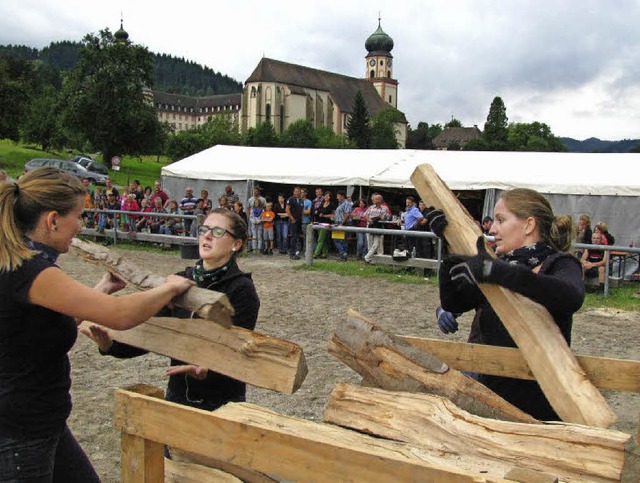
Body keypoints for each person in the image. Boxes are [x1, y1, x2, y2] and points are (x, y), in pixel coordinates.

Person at [0, 167, 193, 481]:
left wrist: (101, 289)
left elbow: (42, 325)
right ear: (52, 220)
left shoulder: (25, 262)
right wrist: (170, 288)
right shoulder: (29, 270)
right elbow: (119, 315)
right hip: (21, 431)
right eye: (78, 216)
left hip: (42, 422)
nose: (81, 225)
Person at [83, 208, 259, 415]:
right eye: (204, 229)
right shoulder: (178, 281)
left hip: (222, 401)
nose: (208, 235)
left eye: (218, 232)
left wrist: (208, 369)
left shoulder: (241, 289)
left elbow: (237, 352)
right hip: (177, 395)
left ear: (236, 244)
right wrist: (110, 346)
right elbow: (153, 334)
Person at [432, 188, 584, 421]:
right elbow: (455, 301)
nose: (492, 229)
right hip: (490, 391)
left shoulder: (559, 263)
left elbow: (570, 297)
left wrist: (498, 272)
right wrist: (450, 245)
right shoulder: (497, 266)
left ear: (528, 225)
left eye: (501, 220)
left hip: (541, 400)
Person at [363, 194, 391, 263]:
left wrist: (374, 218)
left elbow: (384, 217)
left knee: (377, 244)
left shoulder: (384, 208)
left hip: (378, 226)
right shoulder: (371, 207)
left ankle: (367, 257)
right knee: (369, 243)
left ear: (379, 200)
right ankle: (370, 259)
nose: (373, 200)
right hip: (370, 226)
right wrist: (369, 219)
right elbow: (365, 214)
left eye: (375, 199)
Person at [312, 191, 335, 259]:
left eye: (328, 196)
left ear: (330, 197)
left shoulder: (332, 204)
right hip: (320, 223)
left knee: (320, 239)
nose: (326, 197)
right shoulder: (322, 203)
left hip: (326, 223)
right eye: (325, 196)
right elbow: (318, 211)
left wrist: (324, 215)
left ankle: (316, 254)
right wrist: (316, 212)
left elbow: (333, 215)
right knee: (323, 239)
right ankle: (325, 253)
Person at [332, 190, 352, 261]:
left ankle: (343, 254)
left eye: (338, 196)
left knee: (342, 240)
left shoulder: (347, 203)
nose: (337, 198)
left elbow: (347, 214)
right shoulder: (340, 204)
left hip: (344, 223)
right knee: (337, 239)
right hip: (338, 222)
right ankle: (343, 253)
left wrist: (342, 223)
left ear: (342, 196)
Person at [286, 186, 304, 260]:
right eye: (296, 191)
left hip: (299, 220)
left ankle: (296, 252)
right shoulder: (291, 199)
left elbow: (302, 210)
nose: (297, 192)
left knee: (298, 236)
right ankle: (292, 253)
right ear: (294, 192)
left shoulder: (301, 200)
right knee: (293, 237)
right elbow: (287, 209)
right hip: (294, 220)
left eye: (298, 191)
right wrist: (291, 218)